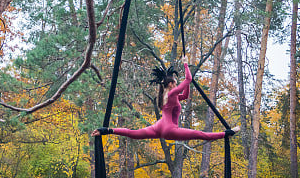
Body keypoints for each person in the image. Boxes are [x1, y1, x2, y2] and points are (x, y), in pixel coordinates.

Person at [92, 55, 239, 140]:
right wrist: (186, 64)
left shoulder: (165, 95)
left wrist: (187, 83)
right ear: (170, 84)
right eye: (175, 82)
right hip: (169, 129)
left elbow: (186, 95)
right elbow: (188, 79)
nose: (176, 84)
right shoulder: (171, 93)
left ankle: (106, 130)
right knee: (199, 134)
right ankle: (227, 133)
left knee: (134, 133)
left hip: (159, 127)